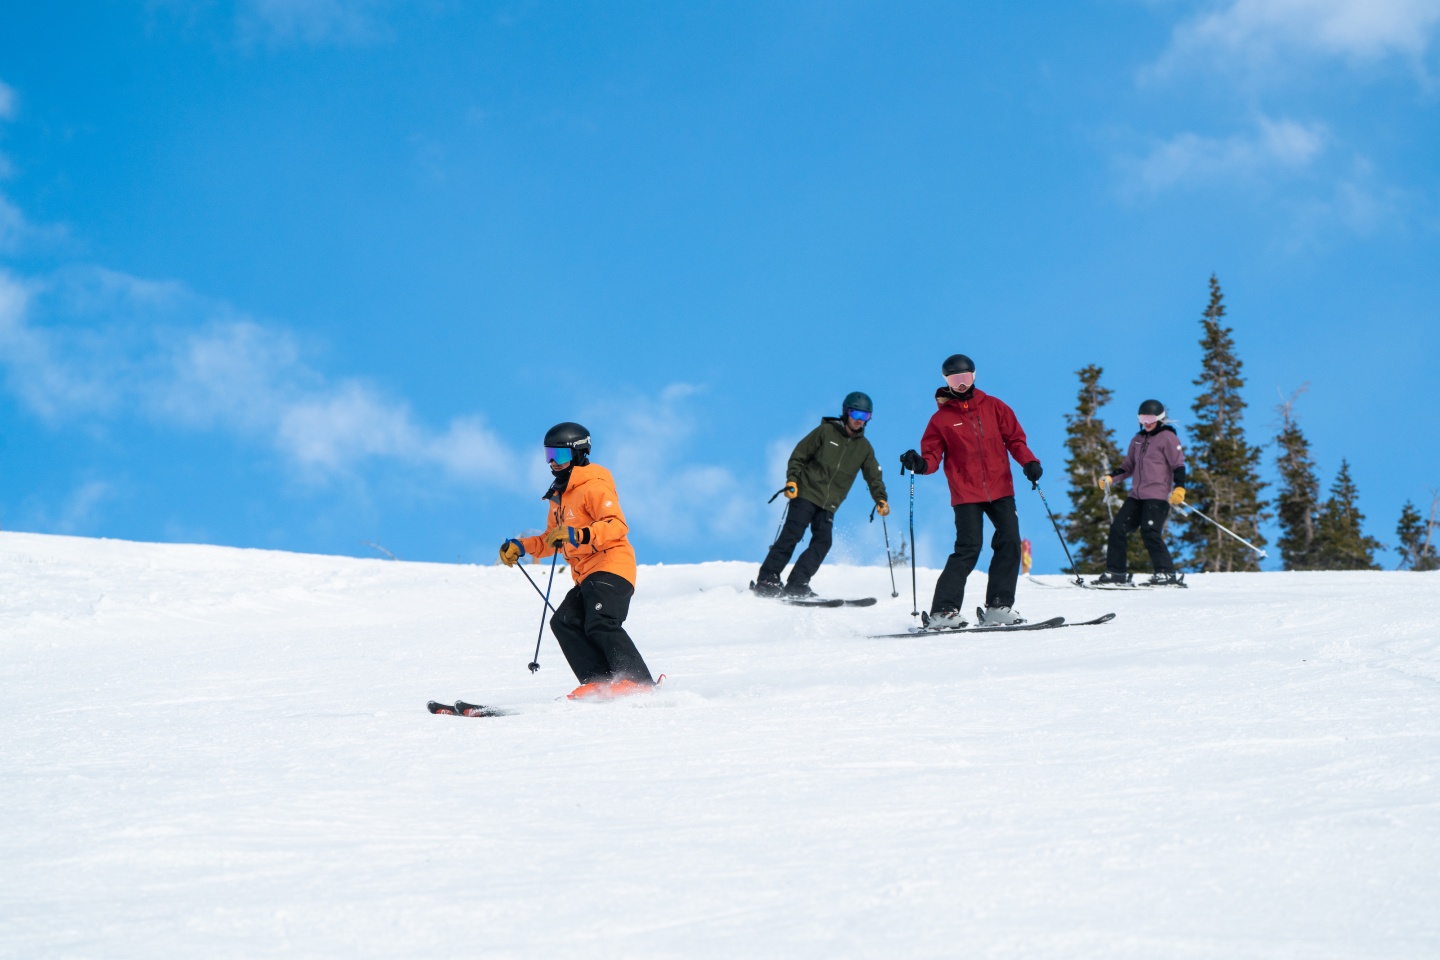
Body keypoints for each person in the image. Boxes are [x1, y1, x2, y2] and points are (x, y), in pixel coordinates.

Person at [499, 422, 657, 699]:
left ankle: (637, 681)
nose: (553, 463)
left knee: (601, 622)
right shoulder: (559, 497)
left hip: (611, 567)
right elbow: (552, 538)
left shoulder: (594, 486)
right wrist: (521, 546)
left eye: (559, 456)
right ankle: (601, 683)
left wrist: (579, 534)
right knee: (564, 622)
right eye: (548, 455)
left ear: (579, 453)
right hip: (586, 576)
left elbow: (616, 525)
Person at [899, 353, 1042, 628]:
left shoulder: (995, 407)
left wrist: (1030, 461)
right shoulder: (940, 420)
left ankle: (998, 606)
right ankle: (943, 611)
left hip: (1000, 488)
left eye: (965, 378)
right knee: (968, 547)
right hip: (966, 493)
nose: (961, 384)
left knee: (1010, 540)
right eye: (955, 379)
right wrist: (919, 463)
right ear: (946, 382)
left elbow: (1015, 440)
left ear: (974, 376)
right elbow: (932, 458)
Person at [752, 391, 889, 599]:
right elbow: (799, 454)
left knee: (823, 542)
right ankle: (767, 578)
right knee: (792, 534)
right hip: (806, 492)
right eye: (855, 414)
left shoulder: (864, 448)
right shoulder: (825, 432)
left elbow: (873, 476)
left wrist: (880, 498)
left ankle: (797, 583)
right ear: (845, 412)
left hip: (829, 503)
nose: (859, 420)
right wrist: (792, 480)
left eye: (865, 416)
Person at [1095, 400, 1186, 586]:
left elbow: (1178, 465)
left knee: (1150, 532)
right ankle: (1116, 573)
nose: (1146, 422)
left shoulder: (1168, 438)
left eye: (1150, 418)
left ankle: (1166, 574)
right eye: (1142, 418)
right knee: (1117, 527)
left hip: (1157, 495)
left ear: (1160, 418)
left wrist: (1180, 487)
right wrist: (1111, 478)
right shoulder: (1137, 439)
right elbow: (1128, 466)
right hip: (1136, 495)